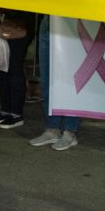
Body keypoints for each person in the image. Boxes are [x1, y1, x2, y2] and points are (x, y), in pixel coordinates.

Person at [28, 15, 81, 151]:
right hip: (48, 21)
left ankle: (70, 131)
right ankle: (52, 129)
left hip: (72, 21)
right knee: (48, 81)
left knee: (70, 82)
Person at [0, 8, 34, 129]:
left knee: (14, 70)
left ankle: (16, 114)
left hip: (21, 25)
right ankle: (5, 110)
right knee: (2, 70)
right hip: (6, 23)